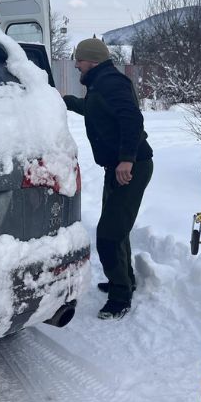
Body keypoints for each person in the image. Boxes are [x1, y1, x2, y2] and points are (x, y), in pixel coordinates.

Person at [63, 37, 153, 320]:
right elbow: (94, 109)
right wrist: (65, 102)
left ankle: (120, 297)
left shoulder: (111, 82)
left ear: (93, 60)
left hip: (131, 167)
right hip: (118, 167)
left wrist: (126, 159)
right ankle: (124, 280)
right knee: (118, 228)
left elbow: (132, 120)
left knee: (109, 235)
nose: (76, 65)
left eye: (79, 60)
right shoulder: (101, 83)